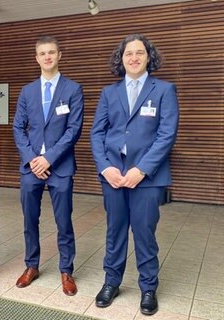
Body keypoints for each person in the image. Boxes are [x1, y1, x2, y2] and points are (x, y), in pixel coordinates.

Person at [90, 34, 179, 315]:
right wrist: (106, 167)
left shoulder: (164, 90)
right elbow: (97, 134)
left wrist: (141, 169)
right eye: (129, 53)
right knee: (115, 232)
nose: (134, 58)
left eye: (140, 53)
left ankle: (148, 287)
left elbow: (167, 135)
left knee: (144, 232)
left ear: (149, 57)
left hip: (148, 178)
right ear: (121, 59)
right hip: (113, 176)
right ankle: (111, 282)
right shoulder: (109, 93)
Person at [12, 35, 84, 296]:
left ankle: (66, 269)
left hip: (60, 166)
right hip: (31, 167)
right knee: (30, 220)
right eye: (42, 53)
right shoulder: (27, 91)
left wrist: (49, 158)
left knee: (63, 221)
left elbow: (74, 130)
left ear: (59, 55)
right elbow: (18, 128)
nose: (47, 57)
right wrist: (33, 159)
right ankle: (32, 266)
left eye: (51, 52)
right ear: (37, 58)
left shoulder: (73, 89)